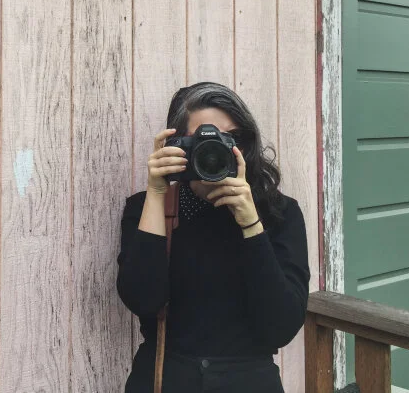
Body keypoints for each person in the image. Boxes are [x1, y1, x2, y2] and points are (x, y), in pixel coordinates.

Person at [117, 83, 309, 393]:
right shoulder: (147, 207)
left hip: (248, 382)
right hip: (164, 379)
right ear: (177, 146)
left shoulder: (279, 213)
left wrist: (251, 224)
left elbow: (281, 327)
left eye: (232, 138)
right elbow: (143, 300)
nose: (218, 150)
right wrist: (156, 192)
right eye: (203, 140)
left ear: (247, 145)